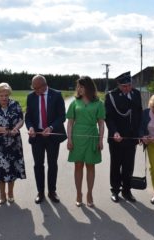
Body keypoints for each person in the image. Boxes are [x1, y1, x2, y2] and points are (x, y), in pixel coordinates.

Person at [25, 74, 67, 204]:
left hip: (52, 136)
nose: (36, 91)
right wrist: (31, 127)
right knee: (38, 165)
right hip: (37, 136)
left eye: (38, 88)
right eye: (34, 88)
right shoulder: (31, 97)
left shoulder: (56, 95)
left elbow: (62, 117)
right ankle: (40, 192)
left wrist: (51, 127)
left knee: (52, 164)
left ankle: (52, 191)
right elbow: (28, 116)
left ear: (45, 85)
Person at [0, 82, 26, 204]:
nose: (4, 98)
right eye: (1, 95)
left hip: (14, 143)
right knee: (0, 169)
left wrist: (16, 128)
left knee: (12, 169)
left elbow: (21, 120)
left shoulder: (16, 105)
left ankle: (11, 193)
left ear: (9, 95)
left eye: (6, 95)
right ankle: (2, 194)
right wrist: (2, 129)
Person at [67, 76, 105, 207]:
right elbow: (70, 123)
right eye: (78, 86)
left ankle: (89, 193)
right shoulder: (74, 103)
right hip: (77, 137)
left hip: (92, 136)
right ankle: (79, 193)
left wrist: (100, 140)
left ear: (88, 87)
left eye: (81, 86)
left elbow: (101, 124)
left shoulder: (99, 103)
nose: (78, 89)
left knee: (90, 165)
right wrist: (69, 139)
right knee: (78, 165)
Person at [105, 71, 142, 203]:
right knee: (116, 164)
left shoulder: (136, 94)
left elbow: (139, 115)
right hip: (117, 136)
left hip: (131, 137)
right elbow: (109, 117)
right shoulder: (111, 96)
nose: (127, 88)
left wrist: (139, 134)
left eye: (129, 85)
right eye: (124, 86)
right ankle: (115, 190)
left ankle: (127, 190)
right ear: (118, 85)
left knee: (128, 165)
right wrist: (114, 132)